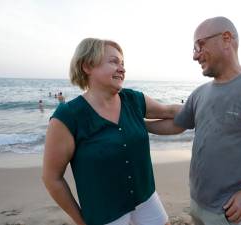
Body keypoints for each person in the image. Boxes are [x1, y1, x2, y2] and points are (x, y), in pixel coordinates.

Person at [146, 17, 241, 225]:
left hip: (229, 209)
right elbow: (176, 124)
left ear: (226, 38)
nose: (195, 56)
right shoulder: (200, 93)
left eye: (199, 45)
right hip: (197, 200)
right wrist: (136, 124)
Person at [42, 38, 180, 225]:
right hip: (104, 213)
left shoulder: (133, 99)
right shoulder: (68, 116)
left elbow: (171, 113)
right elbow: (52, 178)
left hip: (146, 197)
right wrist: (81, 220)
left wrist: (205, 109)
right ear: (87, 66)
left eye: (122, 64)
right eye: (114, 62)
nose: (122, 69)